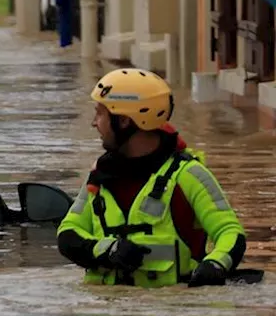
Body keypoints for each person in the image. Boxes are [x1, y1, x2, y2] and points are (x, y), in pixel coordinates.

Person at [57, 68, 245, 288]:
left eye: (100, 113)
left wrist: (215, 265)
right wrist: (108, 250)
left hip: (172, 311)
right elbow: (68, 235)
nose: (94, 123)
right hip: (106, 313)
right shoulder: (100, 175)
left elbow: (230, 233)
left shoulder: (190, 175)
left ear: (125, 121)